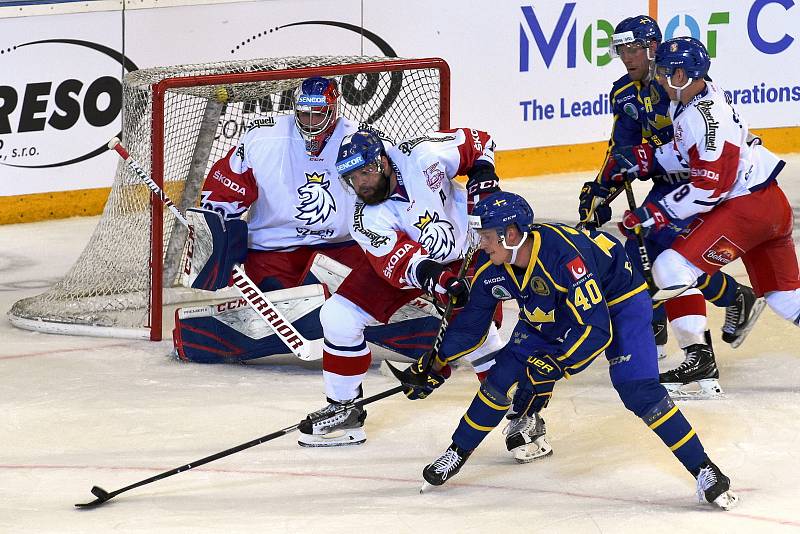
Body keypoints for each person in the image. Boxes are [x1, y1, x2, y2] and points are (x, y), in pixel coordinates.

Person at [401, 191, 737, 510]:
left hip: (619, 300)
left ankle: (705, 470)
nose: (481, 243)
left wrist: (558, 363)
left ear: (512, 233)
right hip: (556, 305)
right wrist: (435, 362)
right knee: (502, 375)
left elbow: (595, 329)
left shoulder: (564, 259)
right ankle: (459, 450)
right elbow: (470, 327)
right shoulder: (495, 269)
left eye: (487, 235)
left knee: (638, 389)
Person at [172, 77, 439, 363]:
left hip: (344, 250)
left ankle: (432, 334)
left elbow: (396, 196)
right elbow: (224, 194)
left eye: (318, 113)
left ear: (334, 110)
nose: (310, 120)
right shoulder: (262, 138)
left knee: (347, 305)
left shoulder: (361, 141)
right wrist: (218, 236)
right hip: (273, 254)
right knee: (313, 311)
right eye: (303, 112)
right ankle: (195, 336)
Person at [577, 15, 764, 398]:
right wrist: (600, 190)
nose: (627, 58)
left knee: (672, 259)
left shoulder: (680, 83)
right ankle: (667, 326)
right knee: (634, 257)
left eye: (633, 49)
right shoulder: (625, 93)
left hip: (703, 183)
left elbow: (720, 138)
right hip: (668, 183)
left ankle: (704, 344)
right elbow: (623, 150)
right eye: (621, 50)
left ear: (651, 48)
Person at [296, 128, 505, 447]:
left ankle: (523, 414)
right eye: (353, 177)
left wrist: (482, 174)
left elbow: (480, 141)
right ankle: (345, 408)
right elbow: (403, 262)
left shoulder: (422, 155)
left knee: (480, 335)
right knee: (339, 316)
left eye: (365, 172)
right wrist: (440, 280)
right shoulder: (365, 218)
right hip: (423, 264)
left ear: (382, 162)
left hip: (471, 248)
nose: (361, 183)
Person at [621, 38, 800, 359]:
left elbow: (708, 188)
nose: (659, 78)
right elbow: (689, 152)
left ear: (682, 76)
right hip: (770, 202)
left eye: (664, 72)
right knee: (784, 296)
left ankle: (698, 361)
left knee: (671, 266)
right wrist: (650, 159)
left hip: (747, 209)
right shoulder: (698, 96)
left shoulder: (702, 119)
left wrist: (653, 214)